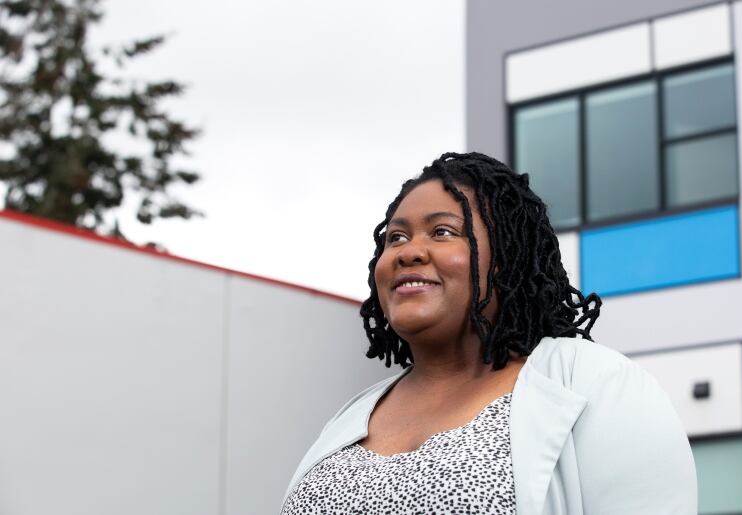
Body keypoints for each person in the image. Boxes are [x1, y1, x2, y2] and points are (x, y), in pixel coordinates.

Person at [280, 152, 697, 514]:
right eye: (396, 237)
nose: (408, 251)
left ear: (507, 257)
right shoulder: (349, 420)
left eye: (442, 232)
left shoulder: (595, 385)